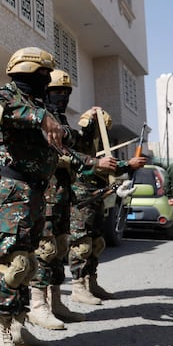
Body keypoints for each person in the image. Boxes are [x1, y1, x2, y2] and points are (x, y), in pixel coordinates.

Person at [0, 47, 65, 346]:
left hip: (35, 193)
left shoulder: (42, 105)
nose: (47, 81)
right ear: (30, 74)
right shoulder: (7, 95)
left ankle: (17, 329)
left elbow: (64, 135)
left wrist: (52, 123)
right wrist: (38, 118)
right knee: (13, 264)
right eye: (44, 75)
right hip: (11, 192)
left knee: (29, 265)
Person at [28, 69, 105, 330]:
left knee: (60, 247)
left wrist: (91, 126)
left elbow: (77, 147)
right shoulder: (39, 116)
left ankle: (56, 301)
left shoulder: (59, 119)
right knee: (45, 249)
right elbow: (54, 154)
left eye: (66, 92)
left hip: (63, 191)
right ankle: (38, 304)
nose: (62, 97)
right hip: (46, 191)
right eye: (57, 92)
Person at [68, 109, 146, 305]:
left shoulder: (98, 145)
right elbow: (82, 161)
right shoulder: (76, 141)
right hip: (81, 199)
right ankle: (78, 286)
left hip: (97, 197)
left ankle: (91, 282)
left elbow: (109, 164)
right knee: (81, 245)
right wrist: (127, 163)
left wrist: (128, 165)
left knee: (97, 243)